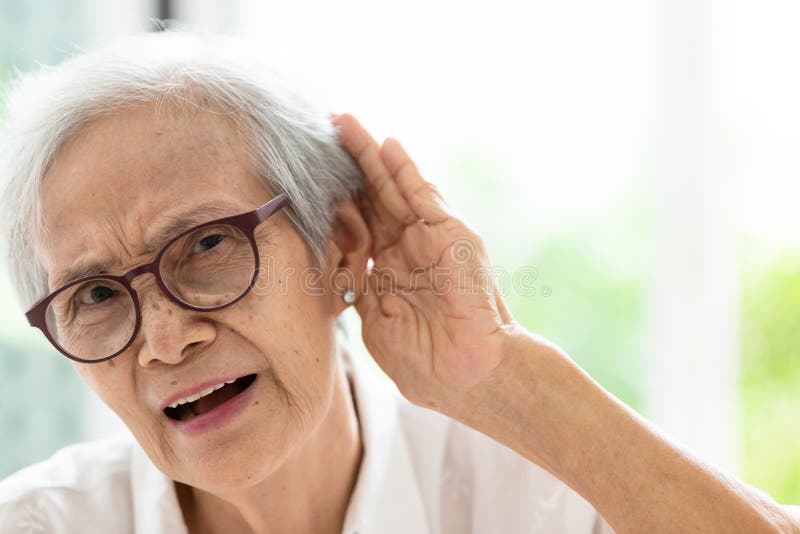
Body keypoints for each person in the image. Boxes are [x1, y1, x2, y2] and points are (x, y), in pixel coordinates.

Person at [0, 30, 797, 534]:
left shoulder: (541, 499)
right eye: (96, 296)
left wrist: (504, 375)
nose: (169, 339)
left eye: (207, 245)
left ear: (339, 244)